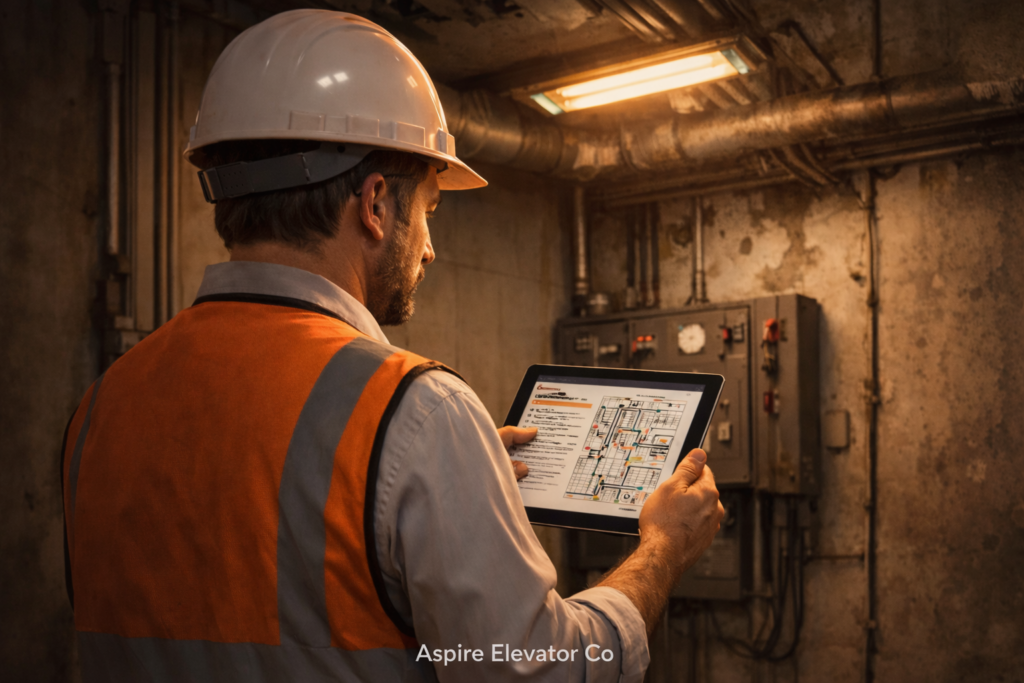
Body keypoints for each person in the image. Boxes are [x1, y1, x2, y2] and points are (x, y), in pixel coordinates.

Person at [60, 10, 724, 682]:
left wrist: (419, 483)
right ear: (375, 205)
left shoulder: (100, 406)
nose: (430, 248)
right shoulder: (420, 412)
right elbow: (535, 671)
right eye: (429, 209)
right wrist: (663, 548)